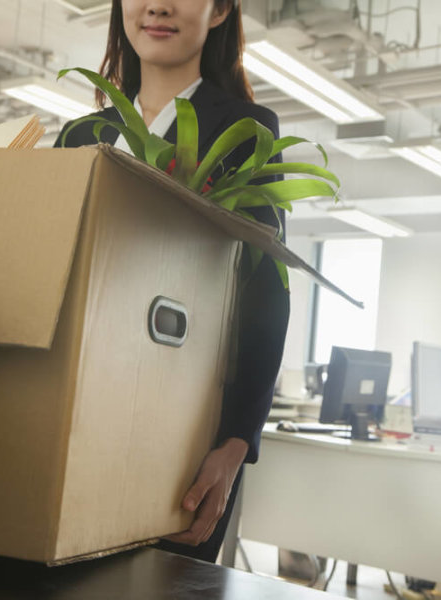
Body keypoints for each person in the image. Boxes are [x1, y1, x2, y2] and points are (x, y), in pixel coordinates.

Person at [53, 0, 289, 563]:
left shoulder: (245, 130)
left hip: (185, 426)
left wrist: (236, 441)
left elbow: (267, 289)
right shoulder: (82, 134)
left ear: (218, 11)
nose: (157, 5)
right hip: (78, 410)